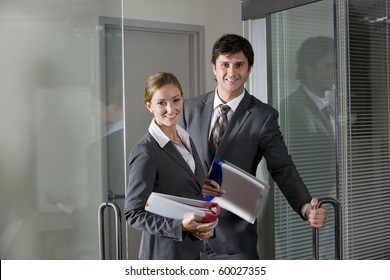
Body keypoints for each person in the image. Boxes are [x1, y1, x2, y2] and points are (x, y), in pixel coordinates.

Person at [180, 33, 328, 260]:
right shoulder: (189, 109)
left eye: (239, 65)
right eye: (225, 65)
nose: (231, 72)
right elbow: (175, 161)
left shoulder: (263, 116)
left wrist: (306, 207)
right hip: (188, 232)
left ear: (249, 69)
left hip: (234, 239)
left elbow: (282, 167)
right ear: (214, 68)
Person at [124, 72, 218, 260]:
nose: (171, 108)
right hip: (164, 255)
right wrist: (181, 226)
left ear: (183, 98)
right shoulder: (146, 152)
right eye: (161, 103)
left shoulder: (186, 138)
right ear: (148, 105)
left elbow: (190, 192)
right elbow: (133, 213)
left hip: (194, 251)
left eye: (176, 100)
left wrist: (204, 228)